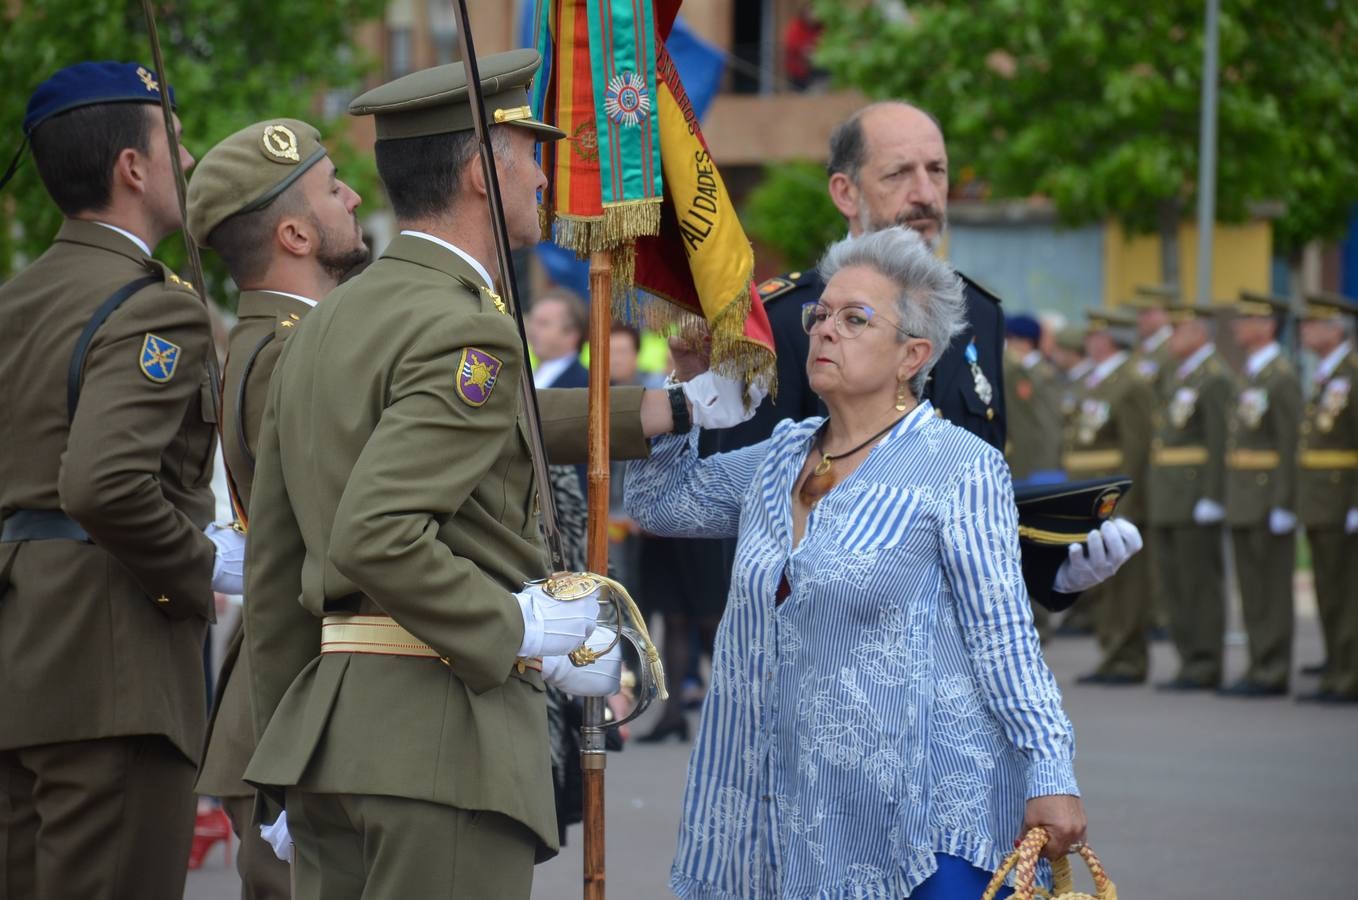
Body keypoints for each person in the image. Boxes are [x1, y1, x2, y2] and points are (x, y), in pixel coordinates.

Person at [240, 50, 757, 899]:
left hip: (327, 738)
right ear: (483, 171)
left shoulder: (330, 324)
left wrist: (283, 755)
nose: (547, 176)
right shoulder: (463, 329)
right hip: (439, 742)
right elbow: (377, 532)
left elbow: (275, 570)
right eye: (530, 154)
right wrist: (517, 629)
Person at [626, 228, 1088, 898]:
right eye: (821, 316)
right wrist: (686, 380)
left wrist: (1050, 771)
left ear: (913, 356)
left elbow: (1005, 636)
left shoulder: (959, 466)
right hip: (786, 807)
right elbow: (660, 503)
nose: (824, 331)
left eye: (854, 319)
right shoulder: (782, 455)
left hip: (919, 816)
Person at [720, 101, 1139, 614]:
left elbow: (978, 503)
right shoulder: (785, 320)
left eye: (936, 170)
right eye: (899, 174)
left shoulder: (977, 313)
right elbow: (743, 515)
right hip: (830, 645)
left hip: (959, 653)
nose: (924, 194)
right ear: (845, 193)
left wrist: (1057, 573)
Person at [0, 62, 244, 900]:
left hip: (21, 656)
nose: (189, 156)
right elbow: (104, 483)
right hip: (114, 669)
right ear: (131, 169)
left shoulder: (18, 297)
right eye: (174, 141)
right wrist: (196, 567)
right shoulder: (156, 305)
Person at [184, 116, 367, 897]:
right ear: (294, 232)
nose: (353, 195)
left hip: (292, 699)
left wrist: (649, 414)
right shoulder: (292, 354)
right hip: (302, 705)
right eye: (332, 189)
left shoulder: (292, 341)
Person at [1063, 309, 1156, 685]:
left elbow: (1136, 448)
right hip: (1091, 494)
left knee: (1126, 583)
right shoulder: (1095, 380)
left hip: (1115, 497)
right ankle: (1111, 652)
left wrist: (1128, 501)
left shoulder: (1130, 382)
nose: (1090, 341)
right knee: (1102, 580)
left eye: (1097, 335)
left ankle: (1128, 657)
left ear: (1111, 340)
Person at [1149, 304, 1234, 691]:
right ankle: (1188, 661)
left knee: (1199, 584)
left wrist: (1213, 496)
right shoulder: (1180, 374)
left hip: (1194, 493)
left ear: (1200, 332)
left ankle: (1205, 662)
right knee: (1175, 584)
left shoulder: (1214, 377)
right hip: (1168, 494)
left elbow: (1220, 441)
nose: (1172, 339)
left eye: (1179, 331)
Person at [1222, 291, 1301, 697]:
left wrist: (1286, 502)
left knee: (1270, 589)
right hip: (1245, 498)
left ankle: (1272, 670)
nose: (1238, 325)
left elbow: (1290, 445)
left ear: (1268, 326)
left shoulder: (1281, 376)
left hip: (1268, 497)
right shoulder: (1253, 373)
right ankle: (1258, 665)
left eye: (1247, 319)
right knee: (1252, 590)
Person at [1295, 292, 1358, 704]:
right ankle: (1338, 665)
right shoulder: (1327, 374)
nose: (1305, 331)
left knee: (1347, 594)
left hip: (1342, 499)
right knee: (1330, 592)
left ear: (1336, 330)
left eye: (1314, 325)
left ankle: (1348, 675)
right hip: (1322, 501)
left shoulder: (1352, 373)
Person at [1003, 313, 1063, 484]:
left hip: (1038, 467)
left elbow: (1049, 425)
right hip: (1020, 460)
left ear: (1024, 342)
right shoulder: (1020, 371)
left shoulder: (1042, 374)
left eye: (1010, 338)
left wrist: (1046, 473)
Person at [526, 287, 590, 388]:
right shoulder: (525, 376)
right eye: (532, 321)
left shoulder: (586, 385)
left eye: (543, 323)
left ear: (571, 334)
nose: (532, 330)